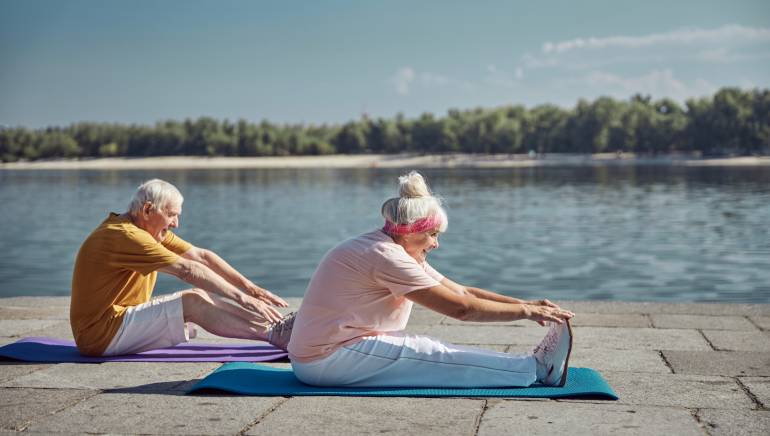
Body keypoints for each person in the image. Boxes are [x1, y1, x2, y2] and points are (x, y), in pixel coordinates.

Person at [288, 171, 575, 388]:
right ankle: (538, 369)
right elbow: (461, 309)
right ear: (411, 231)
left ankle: (530, 365)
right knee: (431, 354)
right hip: (327, 359)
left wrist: (525, 303)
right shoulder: (386, 256)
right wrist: (526, 312)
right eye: (433, 235)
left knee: (427, 348)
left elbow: (462, 292)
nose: (436, 244)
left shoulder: (392, 248)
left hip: (335, 350)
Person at [70, 179, 294, 357]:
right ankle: (274, 335)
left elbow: (201, 256)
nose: (176, 223)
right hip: (100, 335)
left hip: (117, 322)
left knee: (199, 294)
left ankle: (278, 327)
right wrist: (242, 298)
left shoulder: (144, 229)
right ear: (148, 210)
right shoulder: (127, 236)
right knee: (192, 302)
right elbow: (188, 270)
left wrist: (251, 289)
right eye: (171, 215)